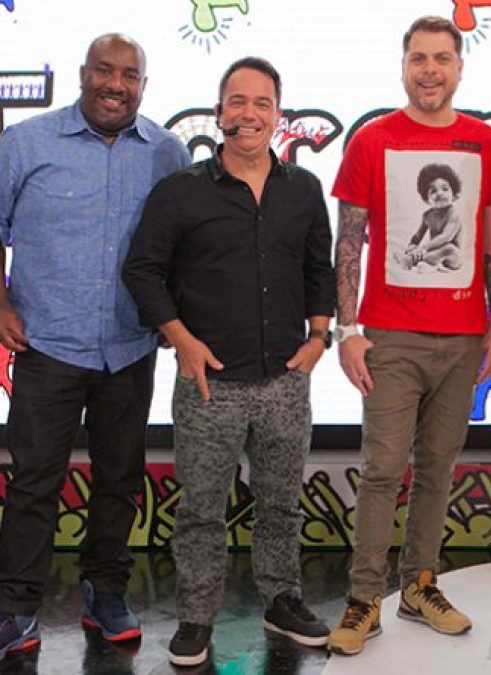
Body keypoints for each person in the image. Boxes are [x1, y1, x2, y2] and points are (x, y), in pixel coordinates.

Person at [123, 56, 335, 667]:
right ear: (219, 114)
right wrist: (180, 338)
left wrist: (319, 337)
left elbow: (318, 269)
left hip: (285, 381)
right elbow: (142, 270)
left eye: (262, 103)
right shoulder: (181, 191)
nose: (249, 113)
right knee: (200, 512)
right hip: (208, 383)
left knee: (281, 503)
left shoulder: (303, 190)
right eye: (237, 102)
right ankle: (196, 617)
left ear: (278, 115)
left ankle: (281, 601)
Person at [327, 16, 491, 656]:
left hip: (462, 339)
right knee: (383, 469)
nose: (429, 70)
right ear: (404, 66)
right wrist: (348, 329)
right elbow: (349, 242)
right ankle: (363, 599)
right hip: (389, 337)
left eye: (441, 58)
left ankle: (419, 586)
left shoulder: (487, 144)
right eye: (418, 58)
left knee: (437, 468)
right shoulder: (372, 140)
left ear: (459, 67)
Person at [0, 33, 190, 660]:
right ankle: (17, 607)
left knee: (119, 479)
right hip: (47, 344)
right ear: (83, 75)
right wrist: (0, 305)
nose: (116, 84)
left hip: (129, 348)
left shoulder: (167, 152)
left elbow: (184, 246)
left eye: (129, 75)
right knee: (33, 482)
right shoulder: (25, 144)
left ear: (143, 85)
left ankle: (105, 593)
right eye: (104, 71)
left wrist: (173, 318)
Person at [396, 163, 463, 272]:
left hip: (453, 258)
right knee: (419, 250)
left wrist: (422, 248)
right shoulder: (427, 216)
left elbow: (446, 237)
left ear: (454, 195)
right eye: (433, 191)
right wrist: (412, 246)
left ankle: (411, 261)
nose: (440, 193)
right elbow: (418, 236)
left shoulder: (454, 214)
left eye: (445, 189)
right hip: (434, 253)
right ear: (427, 200)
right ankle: (423, 263)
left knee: (449, 248)